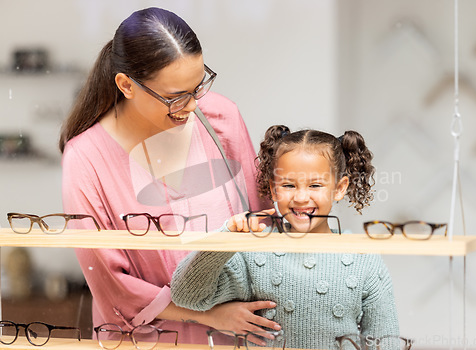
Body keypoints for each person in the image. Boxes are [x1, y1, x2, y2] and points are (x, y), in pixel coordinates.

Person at [59, 7, 278, 344]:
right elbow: (111, 284)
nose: (191, 106)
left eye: (198, 85)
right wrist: (210, 315)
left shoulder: (221, 118)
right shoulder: (86, 159)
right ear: (126, 85)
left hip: (240, 334)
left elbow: (261, 220)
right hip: (150, 340)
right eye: (175, 97)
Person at [171, 125, 400, 349]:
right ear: (273, 189)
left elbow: (385, 341)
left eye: (315, 185)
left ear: (339, 188)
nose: (301, 197)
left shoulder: (363, 258)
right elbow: (186, 296)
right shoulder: (254, 251)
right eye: (289, 185)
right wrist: (225, 240)